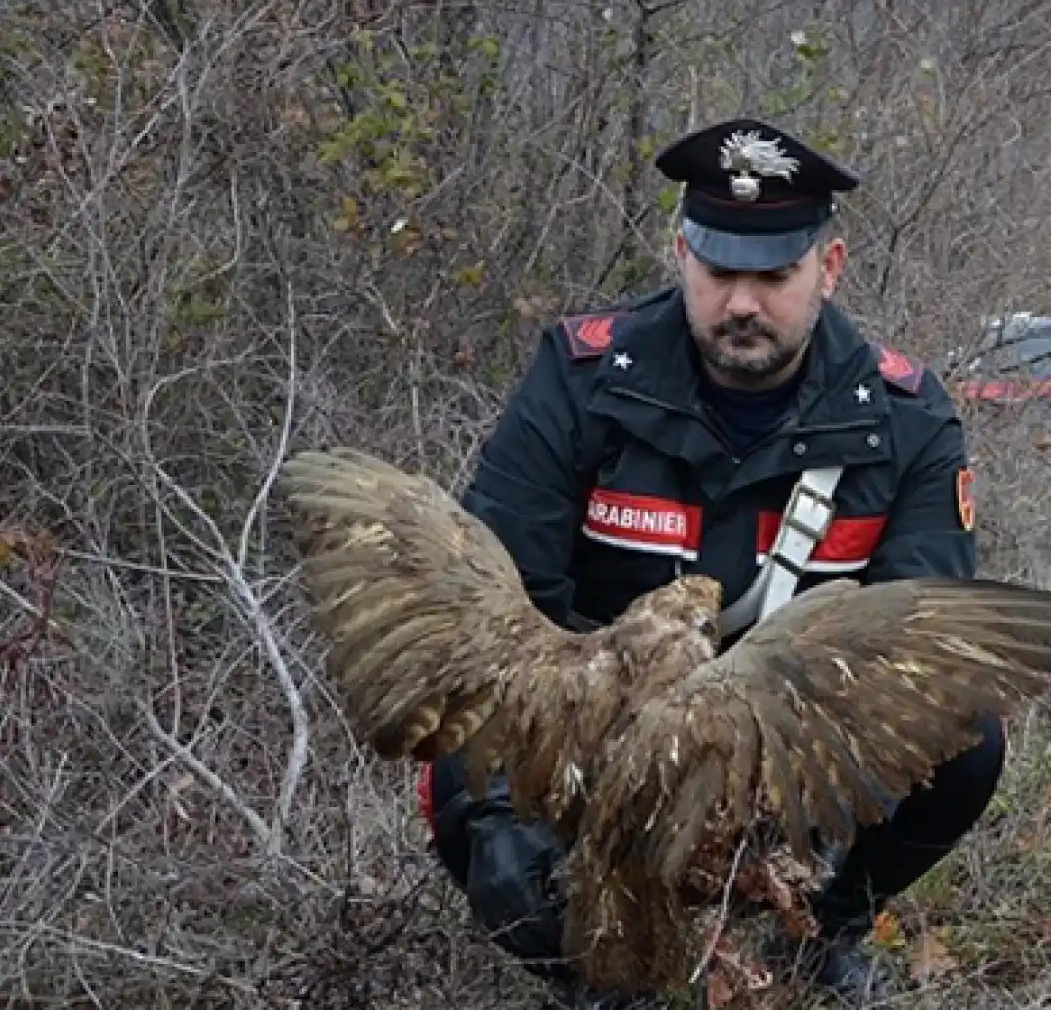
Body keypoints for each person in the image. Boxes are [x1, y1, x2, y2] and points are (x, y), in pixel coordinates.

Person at [412, 117, 995, 1007]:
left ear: (827, 270)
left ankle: (817, 932)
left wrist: (801, 810)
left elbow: (926, 651)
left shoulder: (905, 416)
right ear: (681, 254)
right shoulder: (581, 380)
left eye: (774, 276)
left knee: (966, 742)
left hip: (792, 744)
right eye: (720, 272)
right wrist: (499, 811)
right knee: (465, 792)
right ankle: (601, 970)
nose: (742, 305)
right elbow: (495, 620)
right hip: (602, 732)